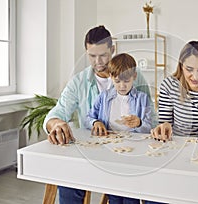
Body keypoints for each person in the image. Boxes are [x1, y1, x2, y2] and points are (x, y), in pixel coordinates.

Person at [43, 26, 154, 204]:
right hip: (92, 153)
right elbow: (58, 112)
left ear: (113, 49)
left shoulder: (135, 76)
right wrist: (55, 124)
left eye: (103, 55)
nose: (98, 61)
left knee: (150, 187)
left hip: (128, 154)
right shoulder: (78, 82)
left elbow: (150, 117)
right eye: (92, 56)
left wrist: (140, 123)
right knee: (68, 181)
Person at [86, 53, 154, 204]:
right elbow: (88, 117)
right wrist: (95, 122)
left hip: (134, 153)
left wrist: (139, 123)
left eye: (126, 81)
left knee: (131, 193)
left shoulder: (142, 99)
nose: (122, 86)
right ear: (111, 77)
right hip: (110, 151)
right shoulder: (104, 97)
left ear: (134, 77)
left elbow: (150, 127)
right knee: (114, 194)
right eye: (117, 81)